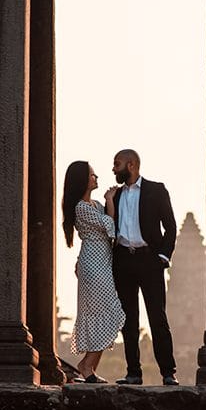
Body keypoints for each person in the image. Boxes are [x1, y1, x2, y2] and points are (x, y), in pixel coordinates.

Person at [108, 149, 178, 385]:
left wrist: (163, 257)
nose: (113, 169)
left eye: (116, 164)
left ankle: (168, 373)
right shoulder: (115, 196)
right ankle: (133, 373)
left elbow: (170, 227)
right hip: (124, 261)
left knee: (157, 317)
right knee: (128, 320)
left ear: (131, 165)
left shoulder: (156, 190)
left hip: (150, 260)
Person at [61, 160, 125, 383]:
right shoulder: (81, 207)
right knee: (108, 311)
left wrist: (106, 202)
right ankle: (86, 366)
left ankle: (90, 369)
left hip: (102, 263)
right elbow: (110, 226)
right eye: (91, 175)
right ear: (82, 180)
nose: (96, 177)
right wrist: (110, 200)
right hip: (94, 266)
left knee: (107, 313)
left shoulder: (95, 205)